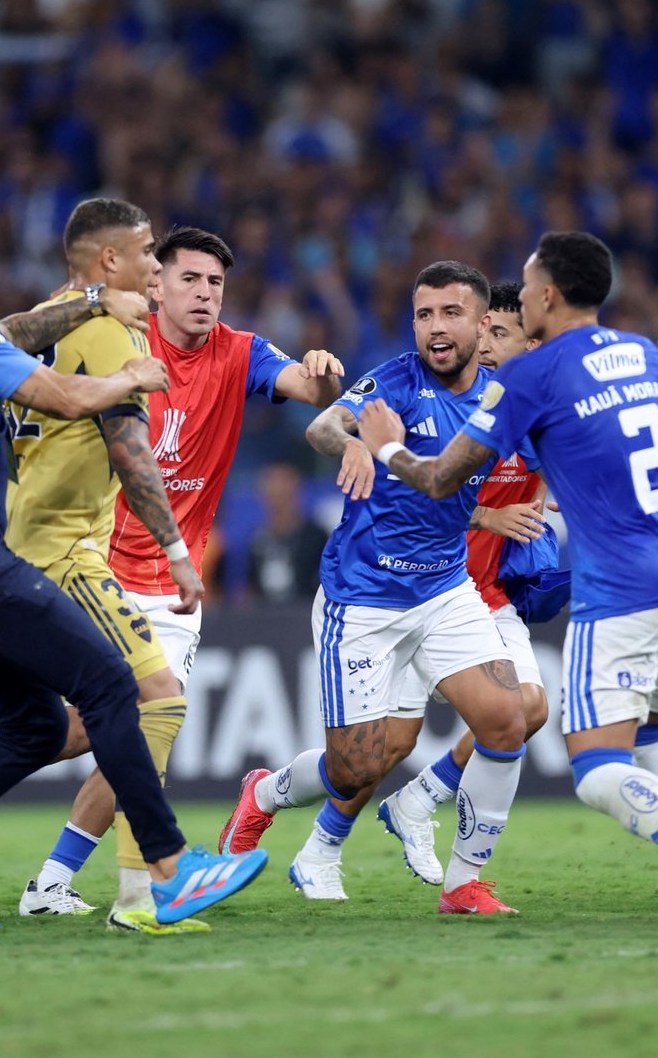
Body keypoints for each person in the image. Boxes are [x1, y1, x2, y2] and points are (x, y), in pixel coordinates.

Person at [0, 214, 266, 939]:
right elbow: (65, 397)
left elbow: (14, 334)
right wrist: (128, 373)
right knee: (115, 688)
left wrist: (94, 302)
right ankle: (166, 868)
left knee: (34, 726)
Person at [356, 233, 658, 936]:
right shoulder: (641, 353)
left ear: (547, 294)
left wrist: (385, 441)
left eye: (524, 283)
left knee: (598, 770)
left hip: (623, 591)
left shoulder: (532, 377)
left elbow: (438, 477)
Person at [17, 223, 342, 921]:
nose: (204, 293)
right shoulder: (118, 339)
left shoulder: (240, 352)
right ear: (155, 283)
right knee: (100, 726)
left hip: (176, 587)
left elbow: (306, 388)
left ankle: (51, 880)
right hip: (99, 568)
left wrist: (321, 373)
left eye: (216, 282)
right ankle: (139, 889)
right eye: (189, 278)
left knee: (111, 734)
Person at [219, 261, 528, 915]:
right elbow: (322, 425)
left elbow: (459, 479)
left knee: (507, 719)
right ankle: (266, 794)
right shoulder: (396, 382)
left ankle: (463, 883)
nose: (436, 328)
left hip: (445, 589)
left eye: (451, 313)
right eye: (424, 315)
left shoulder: (506, 395)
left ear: (481, 323)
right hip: (364, 597)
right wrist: (354, 441)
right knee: (361, 765)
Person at [372, 279, 565, 885]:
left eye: (498, 334)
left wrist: (551, 496)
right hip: (429, 590)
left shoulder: (531, 417)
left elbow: (547, 479)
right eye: (483, 330)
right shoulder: (458, 407)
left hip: (488, 597)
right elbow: (426, 488)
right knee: (375, 751)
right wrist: (489, 515)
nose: (483, 344)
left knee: (528, 709)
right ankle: (277, 802)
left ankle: (422, 803)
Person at [246, 465, 329, 604]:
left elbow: (328, 582)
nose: (278, 496)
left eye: (283, 491)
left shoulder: (316, 537)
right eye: (272, 489)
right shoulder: (257, 539)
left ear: (296, 491)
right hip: (264, 618)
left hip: (306, 614)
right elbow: (250, 587)